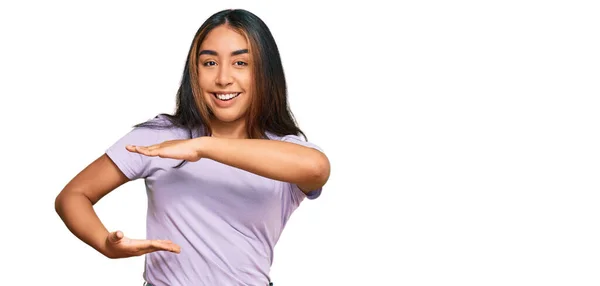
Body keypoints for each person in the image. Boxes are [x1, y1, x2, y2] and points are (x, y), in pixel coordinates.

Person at [54, 8, 330, 286]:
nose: (223, 78)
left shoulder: (281, 150)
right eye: (209, 63)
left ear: (265, 73)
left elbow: (317, 168)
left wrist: (203, 147)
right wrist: (105, 244)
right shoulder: (161, 137)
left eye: (241, 63)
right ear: (194, 71)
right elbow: (73, 196)